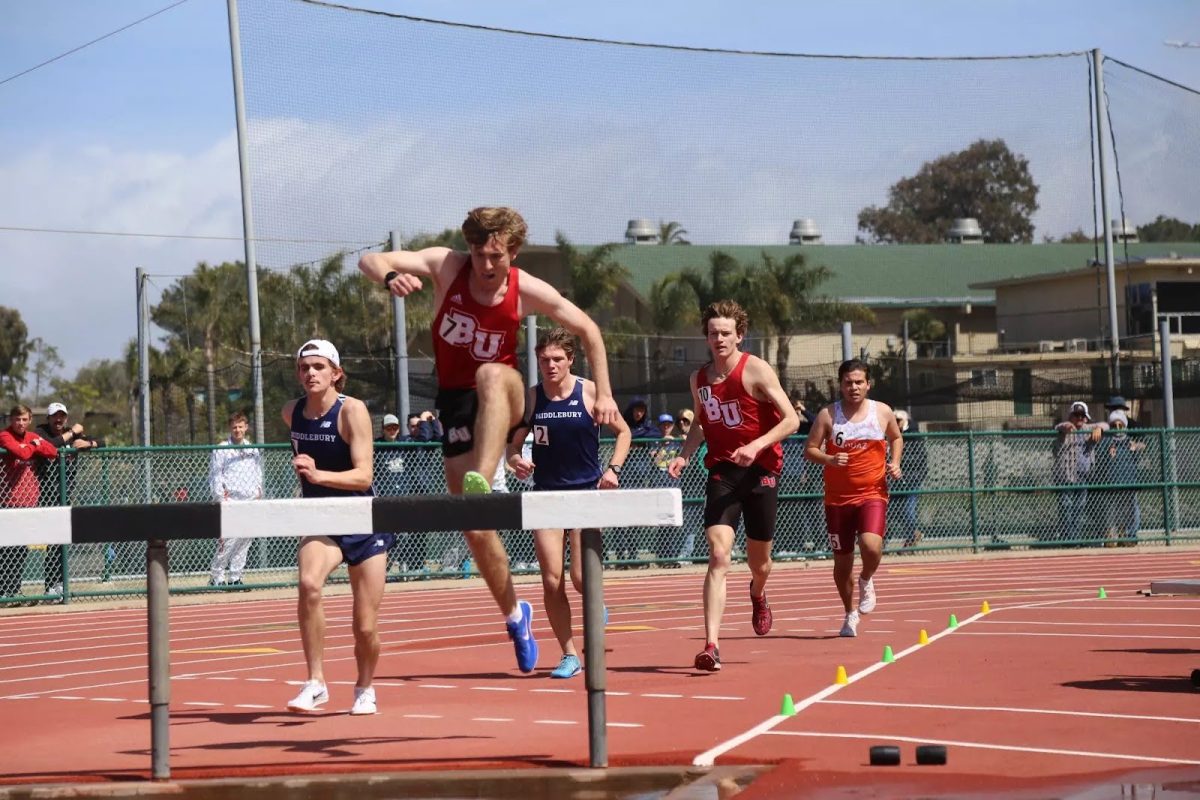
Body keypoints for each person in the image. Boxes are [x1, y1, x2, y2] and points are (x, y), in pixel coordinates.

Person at [359, 206, 619, 674]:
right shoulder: (447, 266)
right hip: (456, 404)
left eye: (495, 256)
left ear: (512, 253)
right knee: (475, 528)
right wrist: (392, 276)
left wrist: (607, 397)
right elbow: (369, 262)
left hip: (505, 393)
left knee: (491, 374)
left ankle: (484, 473)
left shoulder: (524, 289)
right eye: (479, 253)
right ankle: (515, 615)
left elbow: (590, 331)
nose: (485, 264)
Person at [666, 300, 799, 671]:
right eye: (713, 333)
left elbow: (791, 421)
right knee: (719, 554)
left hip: (761, 473)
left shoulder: (756, 370)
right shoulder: (699, 379)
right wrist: (685, 455)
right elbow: (700, 424)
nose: (719, 338)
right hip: (723, 474)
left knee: (761, 564)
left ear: (739, 335)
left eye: (726, 332)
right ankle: (711, 645)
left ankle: (758, 594)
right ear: (705, 337)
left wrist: (756, 446)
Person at [505, 328, 631, 679]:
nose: (551, 365)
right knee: (551, 579)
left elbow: (625, 432)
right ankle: (569, 654)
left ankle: (597, 603)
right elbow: (512, 447)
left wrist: (614, 470)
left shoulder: (590, 392)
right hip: (547, 495)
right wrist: (517, 462)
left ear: (570, 360)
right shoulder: (530, 400)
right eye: (544, 360)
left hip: (586, 494)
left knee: (579, 577)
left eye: (557, 359)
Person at [283, 339, 392, 716]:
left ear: (336, 373)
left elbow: (364, 476)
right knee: (309, 584)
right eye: (304, 367)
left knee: (364, 627)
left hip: (363, 521)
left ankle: (365, 686)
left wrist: (318, 474)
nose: (310, 373)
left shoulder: (353, 411)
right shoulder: (291, 412)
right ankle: (315, 682)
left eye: (318, 366)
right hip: (321, 520)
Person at [804, 359, 903, 638]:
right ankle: (850, 613)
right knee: (842, 562)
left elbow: (896, 438)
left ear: (868, 384)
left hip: (872, 492)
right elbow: (809, 450)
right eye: (848, 382)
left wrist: (895, 462)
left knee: (871, 545)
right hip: (837, 500)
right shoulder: (827, 415)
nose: (854, 387)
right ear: (841, 385)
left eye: (859, 382)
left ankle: (867, 578)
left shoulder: (881, 411)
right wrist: (829, 458)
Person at [35, 402, 100, 598]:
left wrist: (89, 444)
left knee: (63, 542)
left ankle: (59, 584)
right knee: (54, 542)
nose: (59, 419)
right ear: (48, 418)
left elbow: (102, 441)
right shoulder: (41, 432)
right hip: (47, 495)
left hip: (66, 494)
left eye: (62, 416)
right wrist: (72, 433)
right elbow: (49, 446)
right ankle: (50, 586)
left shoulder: (73, 434)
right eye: (55, 416)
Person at [1, 405, 59, 601]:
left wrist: (32, 444)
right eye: (17, 419)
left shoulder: (31, 435)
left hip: (29, 502)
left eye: (24, 419)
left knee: (21, 549)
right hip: (9, 501)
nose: (21, 423)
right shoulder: (5, 436)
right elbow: (22, 454)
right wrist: (34, 446)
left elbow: (52, 451)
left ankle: (14, 591)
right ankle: (5, 591)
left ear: (30, 419)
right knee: (8, 549)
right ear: (11, 420)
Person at [207, 411, 263, 588]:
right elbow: (215, 474)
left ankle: (235, 577)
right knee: (228, 540)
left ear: (246, 427)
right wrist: (219, 496)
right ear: (230, 429)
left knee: (245, 540)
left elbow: (258, 471)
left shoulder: (252, 448)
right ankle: (216, 577)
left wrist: (259, 490)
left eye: (240, 426)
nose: (237, 430)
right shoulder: (222, 448)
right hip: (230, 500)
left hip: (250, 500)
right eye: (234, 427)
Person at [1052, 401, 1107, 545]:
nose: (1079, 418)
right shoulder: (1066, 429)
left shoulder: (1088, 428)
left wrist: (1100, 429)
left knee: (1079, 507)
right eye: (1076, 415)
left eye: (1082, 416)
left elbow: (1106, 424)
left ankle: (1075, 538)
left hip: (1083, 476)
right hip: (1066, 477)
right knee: (1066, 506)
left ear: (1086, 417)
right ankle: (1068, 538)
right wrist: (1066, 426)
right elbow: (1058, 427)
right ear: (1071, 416)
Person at [1102, 409, 1143, 547]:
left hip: (1128, 483)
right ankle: (1111, 537)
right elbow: (1101, 461)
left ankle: (1126, 536)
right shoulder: (1106, 442)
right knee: (1112, 512)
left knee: (1128, 511)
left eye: (1120, 425)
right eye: (1114, 426)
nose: (1117, 429)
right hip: (1112, 484)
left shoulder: (1129, 442)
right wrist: (1108, 453)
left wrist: (1135, 449)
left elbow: (1138, 458)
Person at [889, 410, 927, 549]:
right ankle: (911, 534)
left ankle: (912, 536)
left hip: (912, 479)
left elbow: (918, 459)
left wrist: (899, 461)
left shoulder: (913, 435)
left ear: (904, 421)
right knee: (892, 508)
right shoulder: (893, 435)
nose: (895, 423)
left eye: (898, 420)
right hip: (898, 480)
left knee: (907, 509)